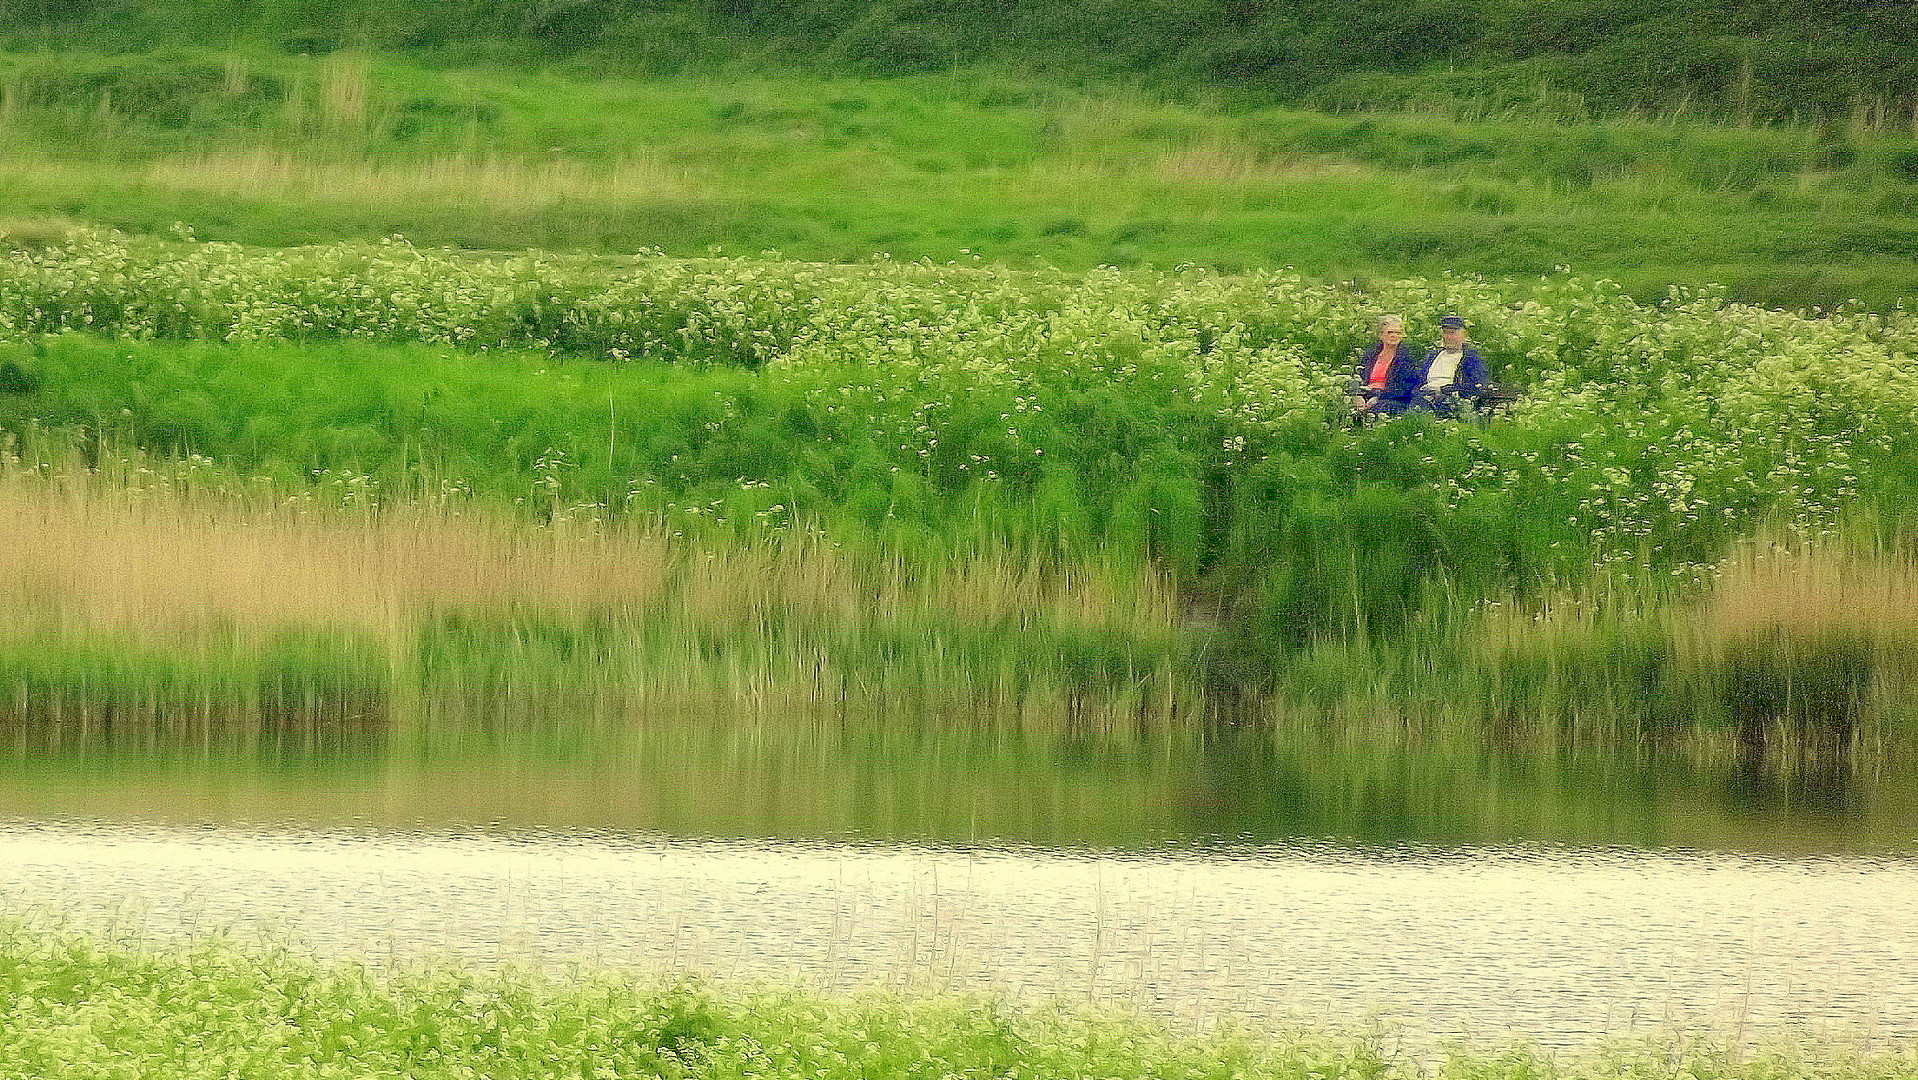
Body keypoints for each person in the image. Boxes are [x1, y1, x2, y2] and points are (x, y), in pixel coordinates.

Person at [1413, 313, 1491, 415]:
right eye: (1445, 333)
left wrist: (1443, 390)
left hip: (1451, 400)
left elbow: (1475, 386)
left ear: (1463, 336)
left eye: (1452, 333)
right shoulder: (1433, 356)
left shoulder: (1470, 358)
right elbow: (1418, 381)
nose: (1448, 337)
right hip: (1424, 397)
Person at [1351, 314, 1420, 417]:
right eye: (1390, 332)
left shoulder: (1406, 357)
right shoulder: (1370, 355)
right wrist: (1357, 396)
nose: (1394, 335)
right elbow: (1356, 377)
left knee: (1378, 409)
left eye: (1398, 333)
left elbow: (1404, 388)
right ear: (1381, 334)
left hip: (1390, 398)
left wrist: (1378, 397)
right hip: (1366, 393)